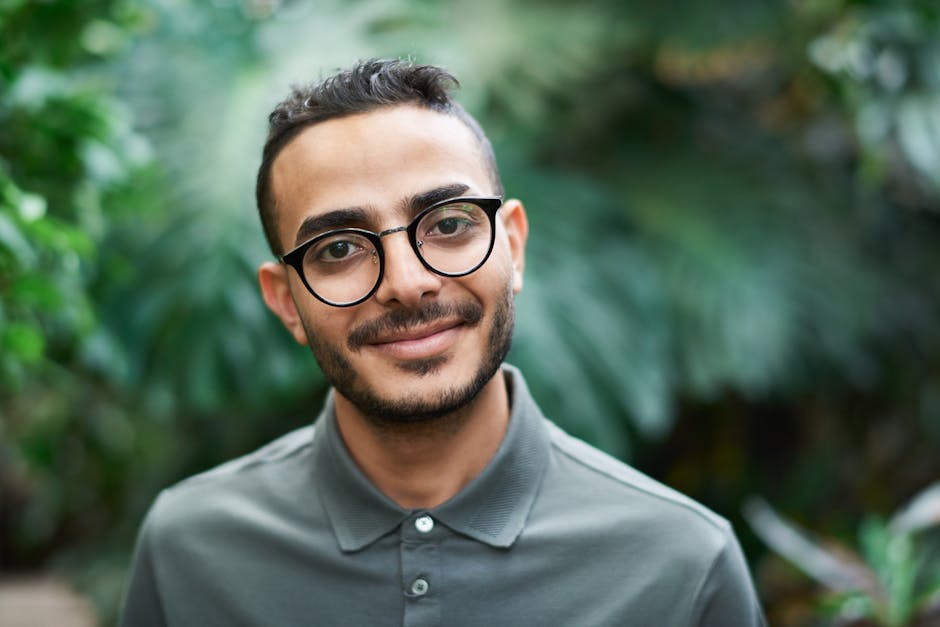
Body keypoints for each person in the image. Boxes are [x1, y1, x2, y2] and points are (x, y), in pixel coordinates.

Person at [120, 59, 766, 626]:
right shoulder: (190, 549)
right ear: (287, 300)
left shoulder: (681, 562)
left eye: (450, 224)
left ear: (511, 246)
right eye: (339, 248)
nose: (407, 283)